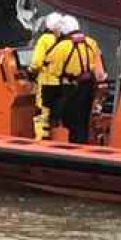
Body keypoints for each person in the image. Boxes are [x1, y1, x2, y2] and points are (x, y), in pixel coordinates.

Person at [42, 16, 105, 144]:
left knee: (69, 121)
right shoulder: (91, 43)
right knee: (83, 120)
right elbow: (100, 70)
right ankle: (83, 142)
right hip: (89, 89)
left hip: (69, 90)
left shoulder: (61, 47)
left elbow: (51, 73)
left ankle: (65, 142)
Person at [27, 11, 64, 140]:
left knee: (43, 113)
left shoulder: (44, 40)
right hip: (63, 83)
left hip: (47, 81)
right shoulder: (65, 41)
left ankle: (42, 140)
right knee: (57, 113)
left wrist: (30, 71)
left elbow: (36, 63)